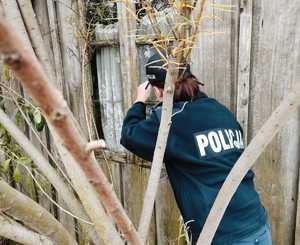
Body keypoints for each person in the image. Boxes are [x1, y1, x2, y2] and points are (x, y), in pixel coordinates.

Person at [120, 52, 272, 245]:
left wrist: (139, 101)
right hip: (256, 222)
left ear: (159, 91)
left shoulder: (171, 122)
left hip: (221, 235)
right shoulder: (220, 110)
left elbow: (129, 135)